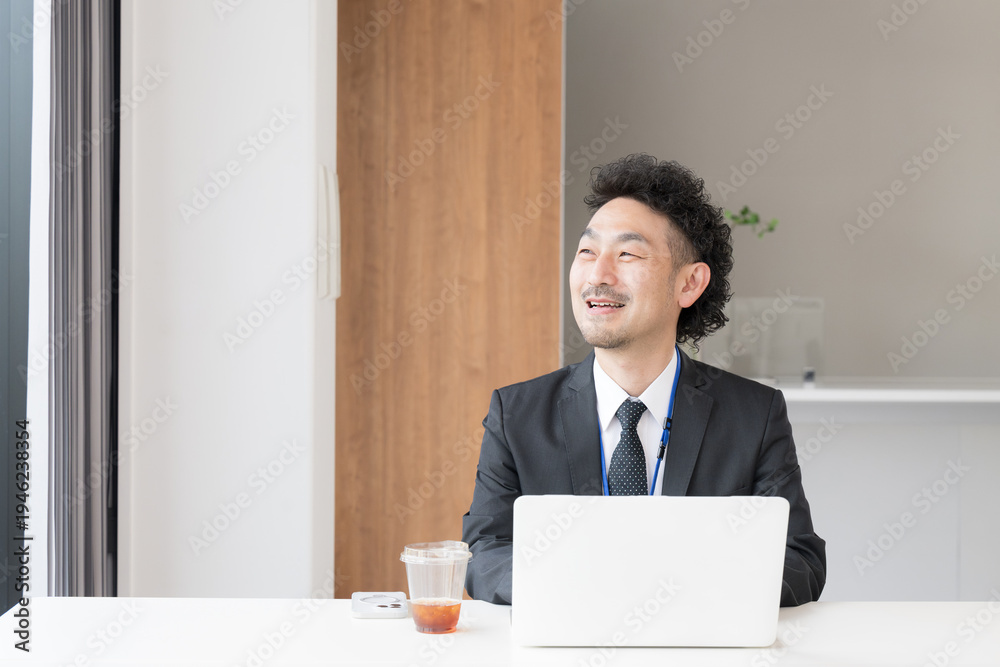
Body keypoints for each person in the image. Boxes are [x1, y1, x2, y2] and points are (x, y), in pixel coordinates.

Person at [461, 154, 826, 607]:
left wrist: (682, 593)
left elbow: (800, 561)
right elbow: (485, 553)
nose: (598, 275)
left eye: (627, 254)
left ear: (689, 284)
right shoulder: (516, 414)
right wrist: (583, 593)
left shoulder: (754, 415)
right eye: (587, 252)